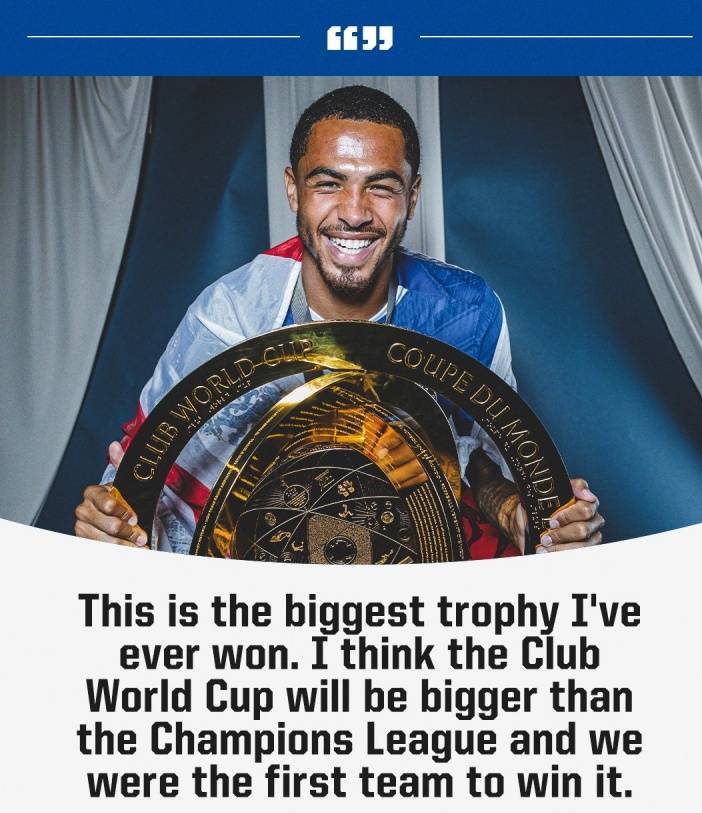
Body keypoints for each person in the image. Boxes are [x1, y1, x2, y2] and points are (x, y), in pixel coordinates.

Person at [74, 86, 603, 558]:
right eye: (328, 184)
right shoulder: (233, 315)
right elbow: (152, 476)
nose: (354, 212)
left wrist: (534, 518)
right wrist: (112, 523)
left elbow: (486, 466)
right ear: (293, 190)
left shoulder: (466, 312)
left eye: (382, 187)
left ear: (412, 195)